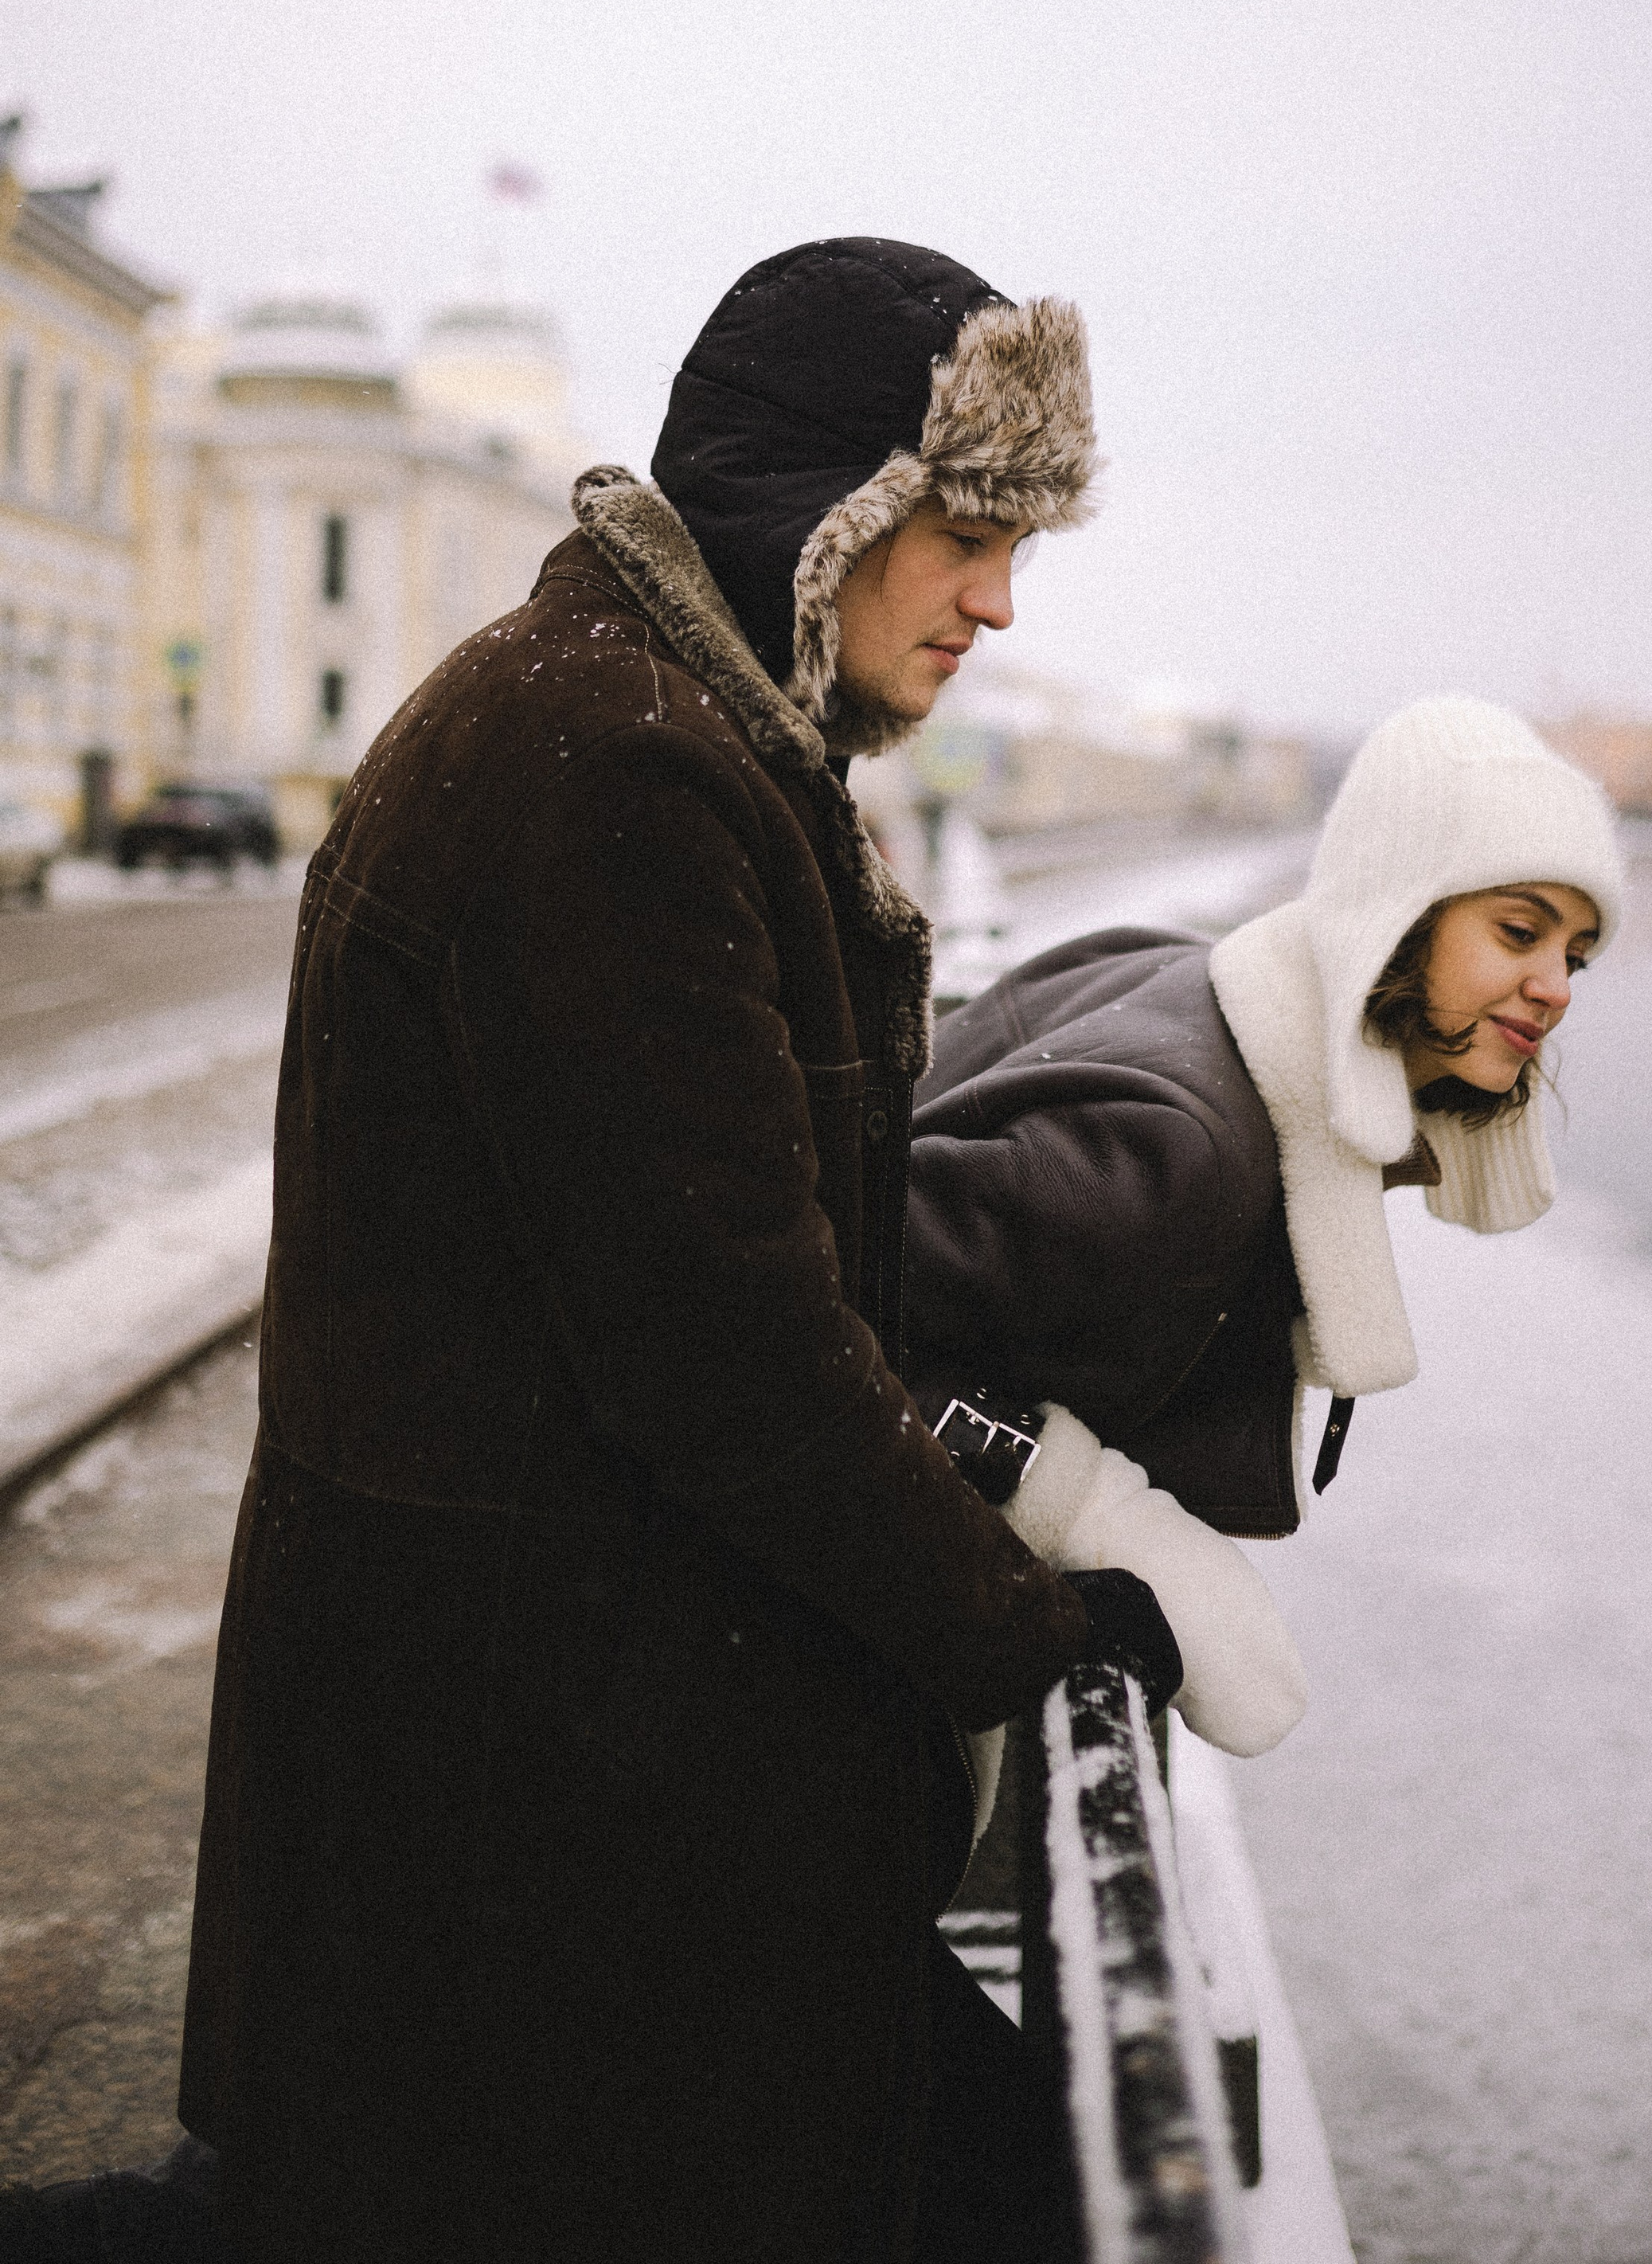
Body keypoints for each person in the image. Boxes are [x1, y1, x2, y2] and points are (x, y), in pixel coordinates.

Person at [2, 240, 1185, 2264]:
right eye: (969, 535)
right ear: (824, 517)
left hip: (539, 1795)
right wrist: (1025, 1628)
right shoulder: (618, 772)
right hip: (537, 1828)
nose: (995, 601)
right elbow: (729, 1355)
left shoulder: (642, 726)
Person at [904, 698, 1624, 1758]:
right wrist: (1093, 1511)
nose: (1556, 988)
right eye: (1519, 932)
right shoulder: (1181, 1152)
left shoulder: (1200, 977)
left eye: (1579, 954)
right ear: (1397, 912)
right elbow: (798, 1301)